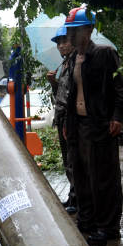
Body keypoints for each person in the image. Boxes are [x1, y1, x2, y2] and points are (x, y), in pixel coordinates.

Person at [62, 6, 123, 246]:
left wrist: (118, 117)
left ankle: (108, 227)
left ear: (89, 30)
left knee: (104, 177)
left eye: (76, 29)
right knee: (81, 175)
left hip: (100, 125)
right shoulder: (73, 59)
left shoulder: (105, 54)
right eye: (70, 30)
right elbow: (72, 96)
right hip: (79, 125)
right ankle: (88, 219)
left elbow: (120, 89)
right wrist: (68, 124)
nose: (71, 35)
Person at [46, 26, 77, 214]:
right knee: (67, 160)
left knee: (73, 161)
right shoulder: (65, 64)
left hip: (70, 120)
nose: (61, 46)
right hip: (62, 119)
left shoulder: (76, 63)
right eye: (59, 43)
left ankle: (78, 199)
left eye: (64, 42)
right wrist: (53, 83)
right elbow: (61, 95)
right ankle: (73, 197)